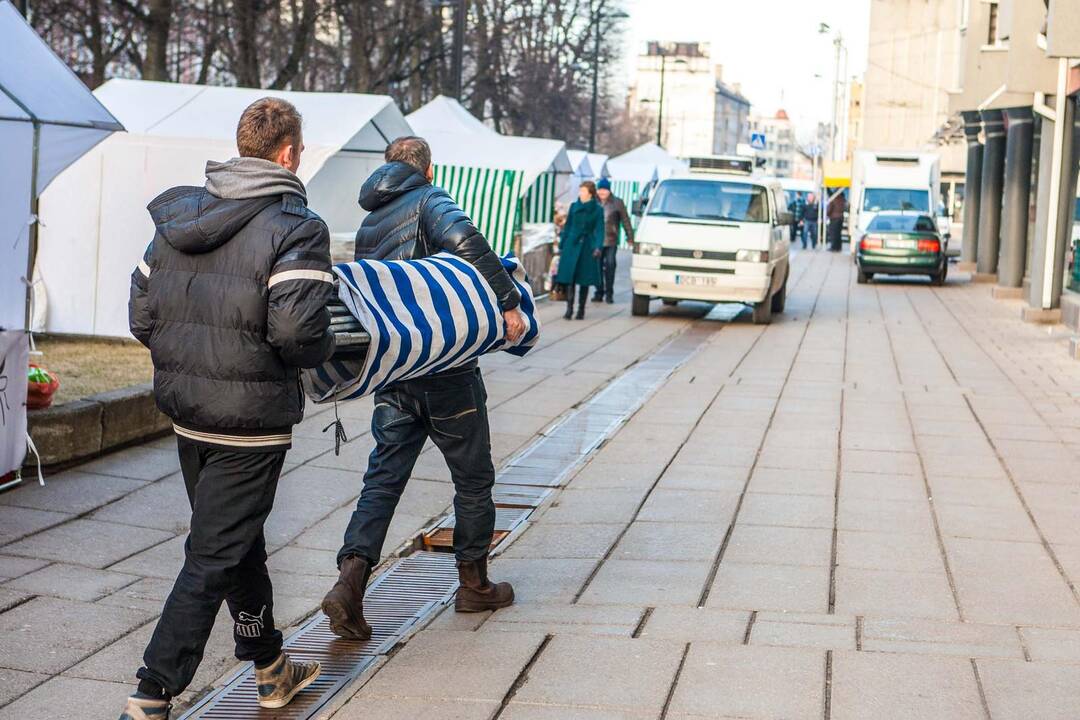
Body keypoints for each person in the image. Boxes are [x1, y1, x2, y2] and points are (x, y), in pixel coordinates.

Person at [120, 98, 333, 720]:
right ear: (289, 153)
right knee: (213, 554)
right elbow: (296, 334)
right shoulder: (297, 225)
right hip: (249, 420)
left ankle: (270, 667)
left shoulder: (179, 217)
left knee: (237, 542)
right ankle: (152, 692)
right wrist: (337, 345)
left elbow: (141, 314)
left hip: (189, 412)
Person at [321, 136, 525, 642]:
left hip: (397, 372)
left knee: (383, 481)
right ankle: (473, 584)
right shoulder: (432, 200)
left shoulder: (370, 223)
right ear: (427, 170)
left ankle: (349, 583)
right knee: (473, 479)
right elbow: (469, 243)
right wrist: (509, 302)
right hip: (447, 371)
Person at [556, 181, 605, 319]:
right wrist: (562, 245)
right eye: (580, 191)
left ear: (590, 193)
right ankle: (569, 309)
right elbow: (568, 226)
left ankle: (581, 309)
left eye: (583, 191)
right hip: (571, 245)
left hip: (587, 246)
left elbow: (600, 229)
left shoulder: (598, 209)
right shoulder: (573, 206)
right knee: (569, 278)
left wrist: (598, 247)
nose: (580, 193)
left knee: (584, 280)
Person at [591, 177, 634, 304]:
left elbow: (625, 220)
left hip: (611, 240)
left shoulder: (617, 202)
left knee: (610, 265)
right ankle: (599, 292)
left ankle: (609, 293)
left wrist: (630, 236)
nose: (602, 192)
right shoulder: (593, 202)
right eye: (600, 190)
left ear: (609, 190)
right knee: (597, 268)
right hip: (596, 241)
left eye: (605, 190)